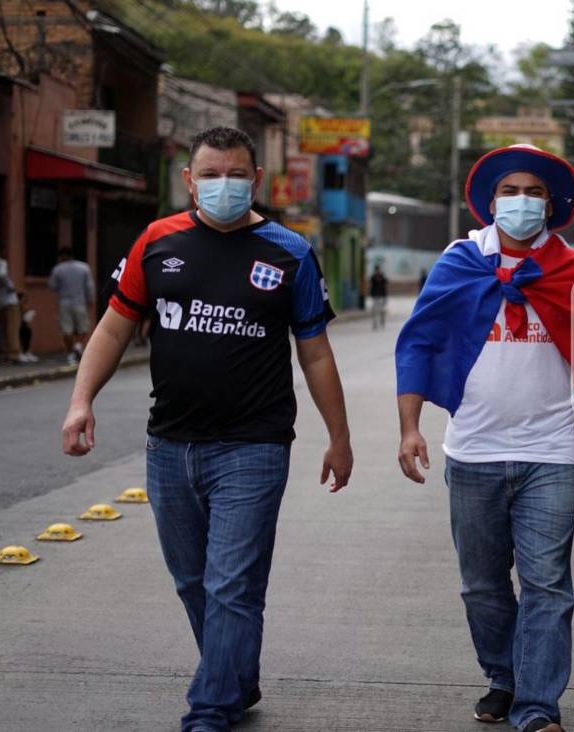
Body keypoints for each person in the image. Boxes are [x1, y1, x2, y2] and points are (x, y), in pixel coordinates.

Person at [60, 126, 353, 732]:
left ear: (257, 180)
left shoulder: (290, 252)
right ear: (189, 181)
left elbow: (316, 353)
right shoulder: (157, 241)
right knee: (193, 581)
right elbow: (115, 327)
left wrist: (339, 437)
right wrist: (80, 400)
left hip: (254, 446)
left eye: (236, 174)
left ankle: (211, 709)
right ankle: (236, 677)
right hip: (169, 444)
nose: (225, 185)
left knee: (232, 586)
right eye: (211, 175)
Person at [394, 144, 574, 732]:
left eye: (534, 192)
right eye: (510, 191)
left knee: (548, 585)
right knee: (482, 587)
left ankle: (538, 705)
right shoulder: (459, 263)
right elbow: (420, 342)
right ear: (491, 201)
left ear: (550, 205)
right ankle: (504, 677)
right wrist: (409, 427)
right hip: (472, 453)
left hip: (549, 453)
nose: (521, 201)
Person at [48, 246, 97, 364]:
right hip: (80, 302)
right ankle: (78, 346)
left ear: (62, 256)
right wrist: (90, 299)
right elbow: (89, 286)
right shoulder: (84, 267)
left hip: (64, 303)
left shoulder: (58, 269)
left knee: (67, 330)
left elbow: (52, 285)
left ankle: (70, 354)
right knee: (83, 328)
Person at [368, 264, 389, 330]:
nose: (377, 271)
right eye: (376, 270)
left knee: (381, 310)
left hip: (382, 295)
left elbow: (386, 284)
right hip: (375, 296)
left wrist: (386, 295)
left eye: (378, 270)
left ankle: (382, 320)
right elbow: (370, 285)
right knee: (374, 310)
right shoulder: (373, 277)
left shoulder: (382, 276)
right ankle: (375, 323)